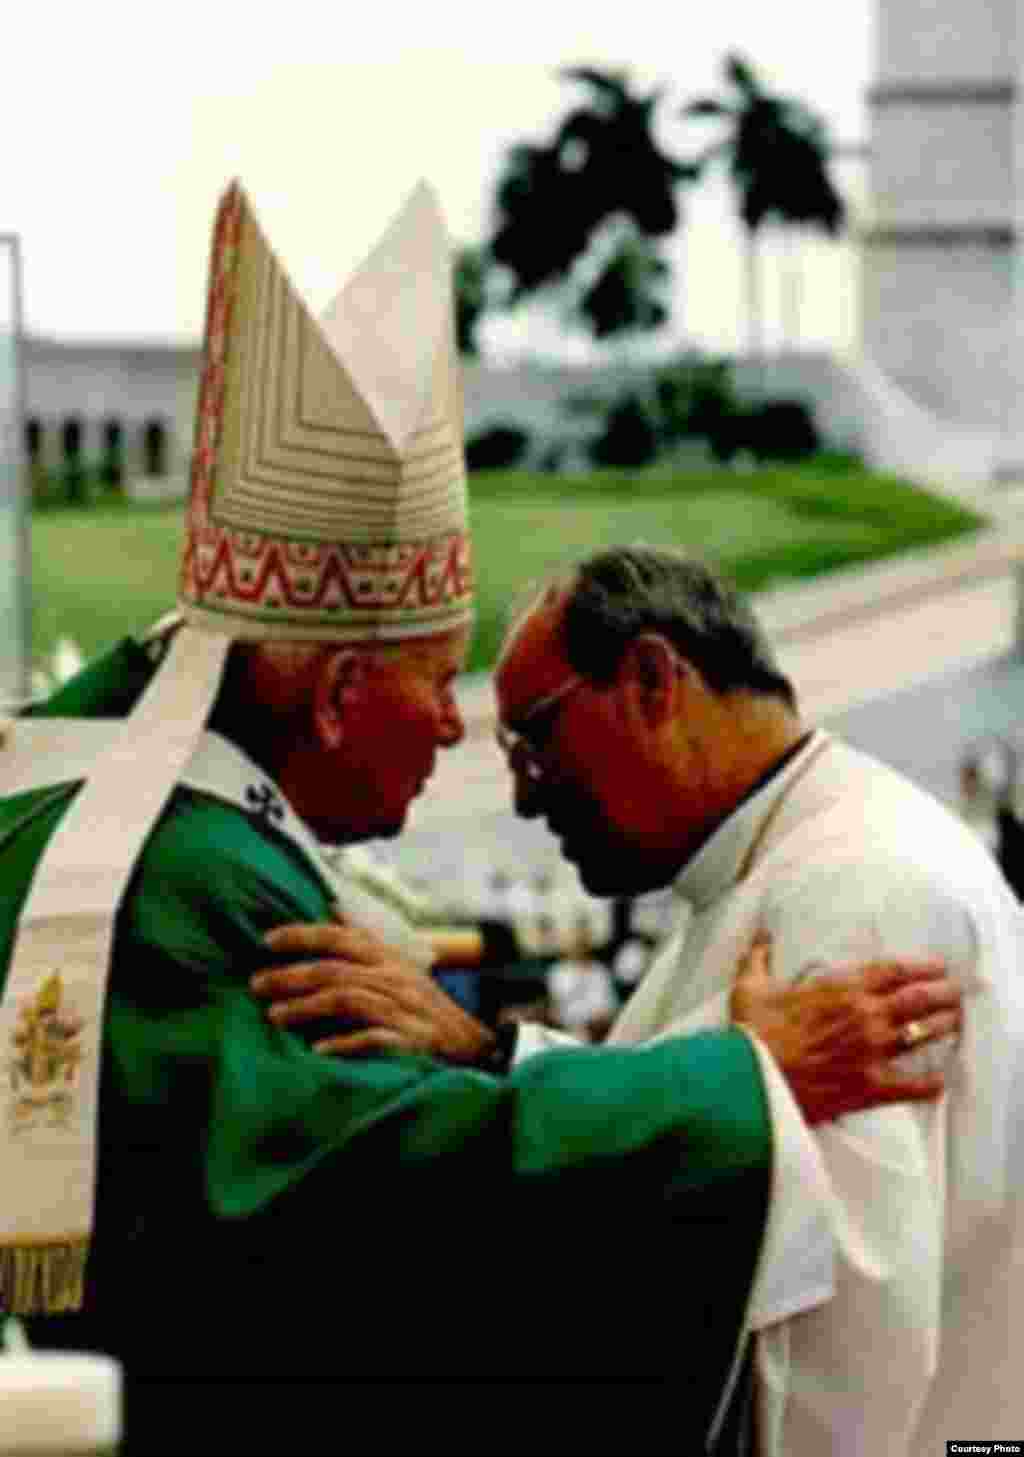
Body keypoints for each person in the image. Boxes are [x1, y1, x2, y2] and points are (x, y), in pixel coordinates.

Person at [0, 187, 959, 1452]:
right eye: (439, 676)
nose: (456, 733)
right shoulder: (181, 873)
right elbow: (364, 1205)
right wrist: (737, 1081)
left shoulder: (122, 802)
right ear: (339, 694)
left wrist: (480, 1048)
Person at [259, 546, 1024, 1454]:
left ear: (654, 681)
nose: (524, 796)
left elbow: (832, 1359)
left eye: (534, 741)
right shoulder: (770, 862)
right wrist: (488, 1053)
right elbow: (685, 1105)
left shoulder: (859, 890)